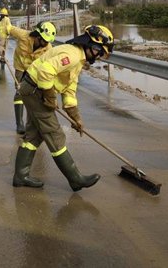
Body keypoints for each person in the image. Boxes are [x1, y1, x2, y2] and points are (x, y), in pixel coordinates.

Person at [12, 24, 115, 192]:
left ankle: (20, 176)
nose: (99, 56)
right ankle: (75, 179)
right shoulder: (72, 55)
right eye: (100, 51)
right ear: (92, 46)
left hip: (34, 90)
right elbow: (46, 71)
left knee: (34, 136)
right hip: (34, 90)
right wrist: (50, 96)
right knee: (55, 134)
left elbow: (69, 90)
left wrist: (76, 117)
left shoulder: (78, 61)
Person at [6, 21, 55, 134]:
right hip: (20, 68)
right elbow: (7, 28)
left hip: (34, 72)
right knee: (19, 93)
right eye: (43, 40)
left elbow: (50, 66)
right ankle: (19, 123)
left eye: (47, 41)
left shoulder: (48, 48)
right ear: (37, 35)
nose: (45, 43)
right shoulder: (23, 35)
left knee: (33, 97)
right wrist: (0, 46)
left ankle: (32, 125)